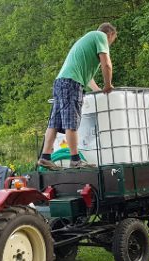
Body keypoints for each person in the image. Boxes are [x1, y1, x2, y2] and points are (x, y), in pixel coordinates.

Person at [38, 22, 117, 170]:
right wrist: (108, 85)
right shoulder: (100, 36)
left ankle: (45, 157)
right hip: (71, 83)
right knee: (71, 122)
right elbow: (107, 64)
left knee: (55, 122)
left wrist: (98, 90)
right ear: (110, 35)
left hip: (61, 82)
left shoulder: (87, 41)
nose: (110, 44)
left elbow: (87, 78)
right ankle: (75, 160)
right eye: (112, 41)